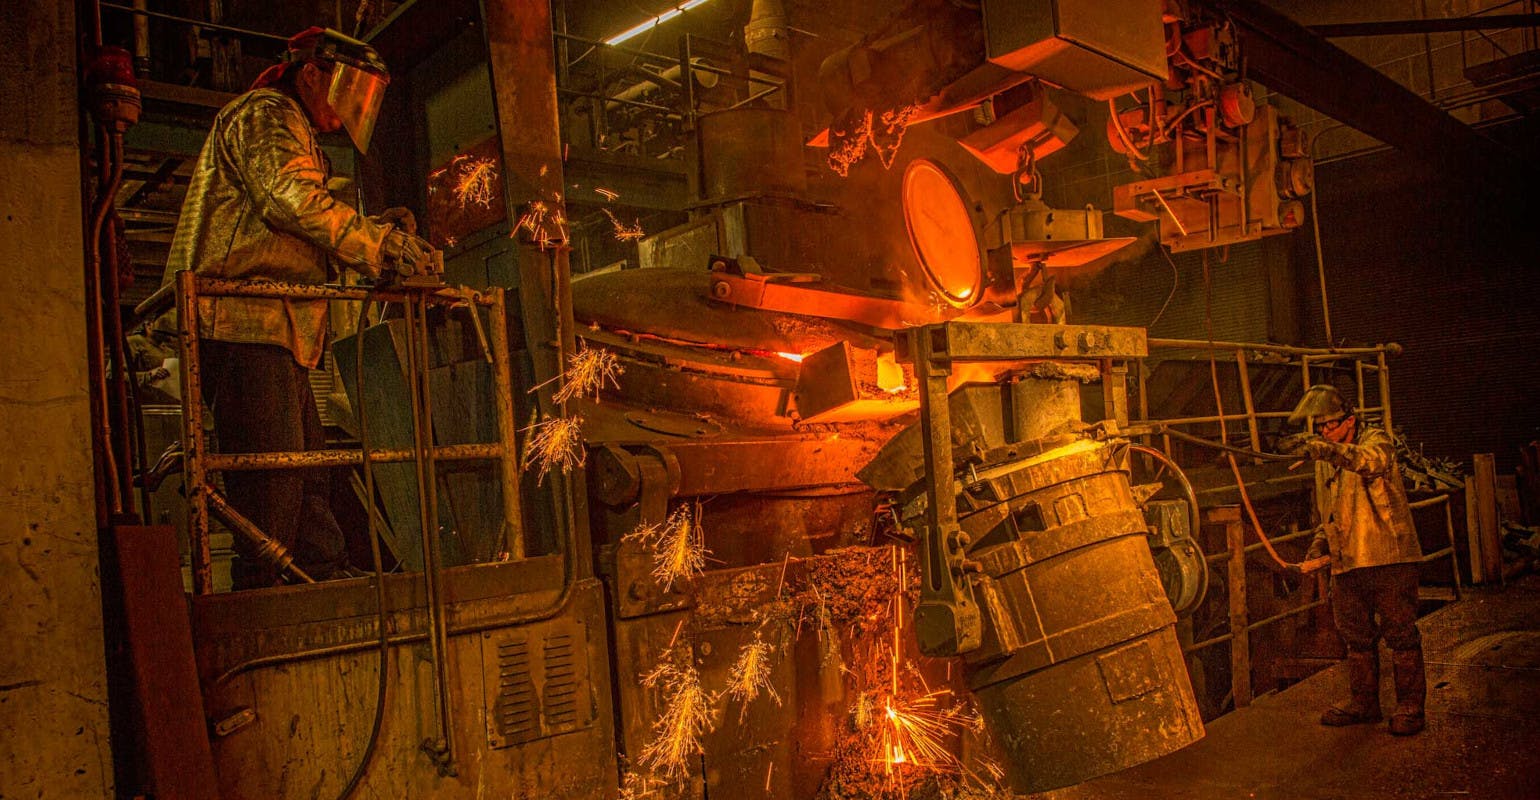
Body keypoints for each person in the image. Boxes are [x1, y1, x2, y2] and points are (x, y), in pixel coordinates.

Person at [161, 27, 436, 589]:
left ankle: (320, 572)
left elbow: (301, 223)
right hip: (241, 323)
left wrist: (375, 232)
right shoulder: (266, 112)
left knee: (308, 470)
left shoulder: (298, 134)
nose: (351, 109)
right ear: (311, 72)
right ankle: (260, 595)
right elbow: (291, 200)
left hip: (276, 326)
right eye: (349, 89)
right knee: (273, 479)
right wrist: (380, 247)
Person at [1281, 384, 1426, 736]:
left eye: (1330, 426)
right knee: (1356, 637)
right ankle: (1364, 702)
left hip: (1387, 557)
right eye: (1320, 429)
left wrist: (1326, 450)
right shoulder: (1326, 456)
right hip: (1348, 560)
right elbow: (1330, 510)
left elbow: (1369, 462)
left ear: (1351, 420)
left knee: (1401, 634)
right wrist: (1319, 544)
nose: (1325, 433)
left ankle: (1410, 707)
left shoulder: (1376, 441)